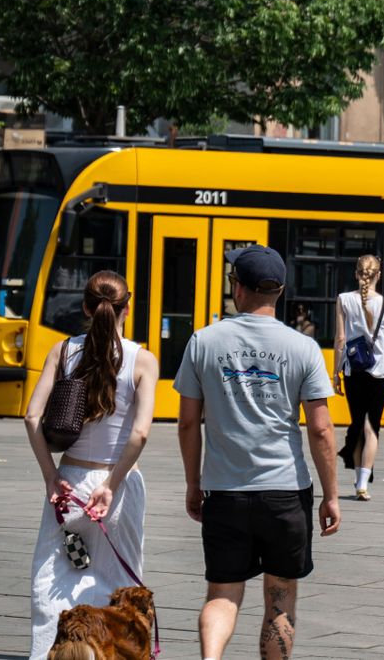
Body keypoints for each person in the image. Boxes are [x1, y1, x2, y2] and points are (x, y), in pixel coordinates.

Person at [175, 245, 340, 660]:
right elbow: (321, 429)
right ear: (279, 291)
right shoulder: (303, 347)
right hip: (285, 493)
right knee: (280, 599)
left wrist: (194, 485)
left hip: (224, 492)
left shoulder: (203, 341)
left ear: (238, 288)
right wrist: (332, 495)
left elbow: (187, 423)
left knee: (222, 593)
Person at [24, 271, 158, 659]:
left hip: (69, 481)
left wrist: (51, 477)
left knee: (55, 575)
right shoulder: (142, 360)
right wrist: (111, 485)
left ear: (85, 307)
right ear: (126, 309)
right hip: (119, 486)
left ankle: (51, 653)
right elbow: (139, 434)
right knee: (118, 583)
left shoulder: (62, 351)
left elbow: (32, 417)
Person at [333, 254, 384, 501]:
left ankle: (357, 477)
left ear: (356, 274)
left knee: (357, 423)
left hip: (353, 370)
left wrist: (335, 373)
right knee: (372, 426)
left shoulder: (343, 300)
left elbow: (340, 340)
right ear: (378, 275)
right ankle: (362, 483)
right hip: (381, 371)